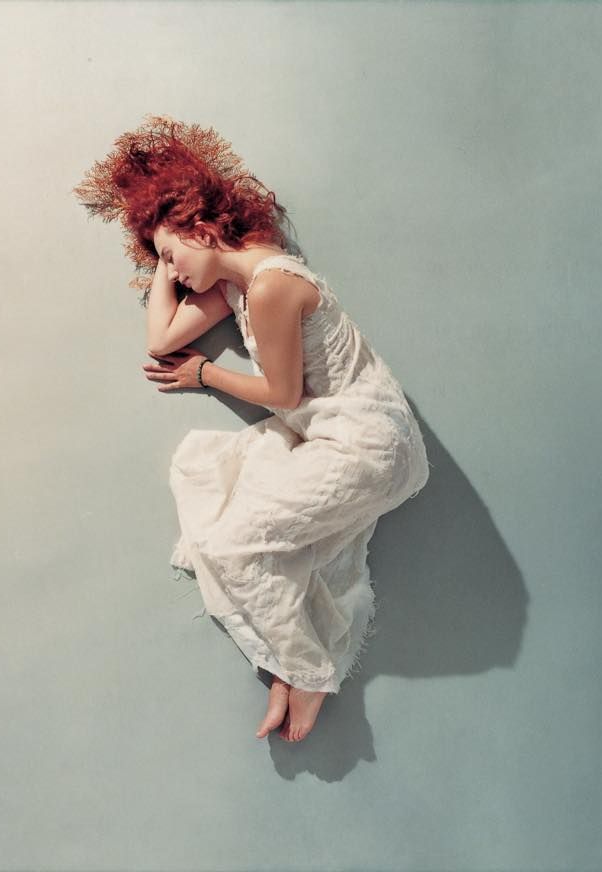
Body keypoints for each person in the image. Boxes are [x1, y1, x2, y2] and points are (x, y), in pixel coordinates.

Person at [75, 114, 429, 743]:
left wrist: (207, 374)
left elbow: (284, 395)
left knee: (232, 543)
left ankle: (307, 673)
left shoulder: (270, 287)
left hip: (367, 443)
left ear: (203, 227)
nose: (172, 274)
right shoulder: (237, 285)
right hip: (338, 437)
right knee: (255, 528)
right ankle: (295, 673)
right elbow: (160, 340)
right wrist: (161, 250)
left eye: (172, 256)